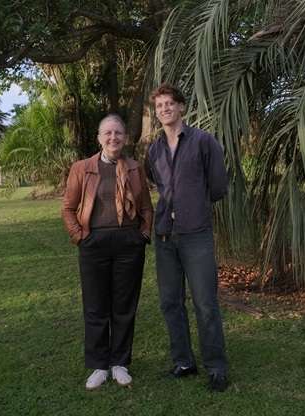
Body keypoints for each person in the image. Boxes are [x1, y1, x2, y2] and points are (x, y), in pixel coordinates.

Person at [144, 83, 230, 392]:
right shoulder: (153, 150)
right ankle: (183, 361)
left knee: (205, 303)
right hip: (166, 236)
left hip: (196, 235)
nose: (164, 108)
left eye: (170, 103)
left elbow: (218, 185)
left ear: (181, 107)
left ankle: (216, 366)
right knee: (170, 302)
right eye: (159, 105)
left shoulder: (203, 142)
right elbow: (154, 179)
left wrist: (194, 205)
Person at [62, 114, 154, 390]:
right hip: (94, 243)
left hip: (129, 243)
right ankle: (100, 365)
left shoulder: (135, 168)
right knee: (96, 305)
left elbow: (147, 208)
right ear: (99, 138)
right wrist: (79, 237)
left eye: (118, 133)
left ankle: (119, 363)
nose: (113, 138)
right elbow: (68, 208)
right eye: (108, 133)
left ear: (125, 138)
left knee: (124, 305)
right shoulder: (82, 168)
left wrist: (143, 234)